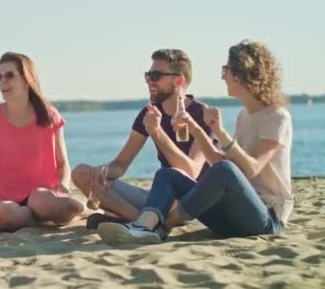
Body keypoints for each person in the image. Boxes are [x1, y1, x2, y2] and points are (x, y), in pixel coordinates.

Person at [98, 40, 292, 245]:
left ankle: (164, 225)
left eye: (226, 69)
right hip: (231, 218)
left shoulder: (277, 117)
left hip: (266, 220)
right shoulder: (244, 116)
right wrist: (196, 129)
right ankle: (143, 226)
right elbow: (221, 164)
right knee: (167, 174)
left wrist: (220, 132)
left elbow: (251, 168)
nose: (223, 76)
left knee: (224, 170)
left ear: (241, 74)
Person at [71, 49, 213, 228]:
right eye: (148, 75)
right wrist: (100, 173)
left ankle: (136, 221)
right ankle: (139, 221)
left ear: (179, 80)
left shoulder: (202, 114)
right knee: (80, 173)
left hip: (189, 202)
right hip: (159, 198)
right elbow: (121, 165)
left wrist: (157, 133)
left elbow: (191, 172)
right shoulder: (149, 112)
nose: (149, 81)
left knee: (167, 198)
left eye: (155, 75)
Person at [0, 52, 88, 232]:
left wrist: (63, 186)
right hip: (6, 202)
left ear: (26, 80)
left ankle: (85, 211)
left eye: (10, 75)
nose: (3, 81)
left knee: (39, 200)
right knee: (0, 215)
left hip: (44, 197)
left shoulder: (49, 116)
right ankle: (42, 220)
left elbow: (63, 163)